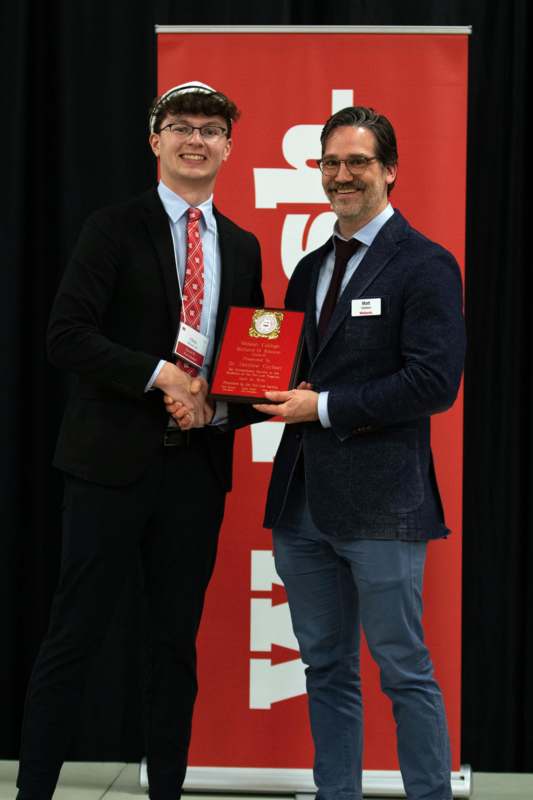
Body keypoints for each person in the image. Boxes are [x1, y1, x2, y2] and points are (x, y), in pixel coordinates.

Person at [16, 81, 263, 800]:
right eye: (181, 126)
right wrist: (164, 377)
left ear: (228, 146)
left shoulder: (243, 246)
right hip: (106, 468)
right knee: (73, 639)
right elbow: (67, 336)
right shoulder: (112, 227)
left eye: (212, 129)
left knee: (171, 650)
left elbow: (246, 366)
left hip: (193, 475)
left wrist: (214, 406)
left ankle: (166, 794)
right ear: (154, 141)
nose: (196, 139)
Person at [254, 106, 465, 800]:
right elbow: (286, 373)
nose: (343, 175)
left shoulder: (427, 264)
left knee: (402, 667)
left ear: (390, 170)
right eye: (331, 163)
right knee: (325, 667)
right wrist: (221, 395)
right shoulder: (310, 267)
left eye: (359, 162)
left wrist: (326, 406)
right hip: (301, 503)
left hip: (381, 505)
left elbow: (433, 383)